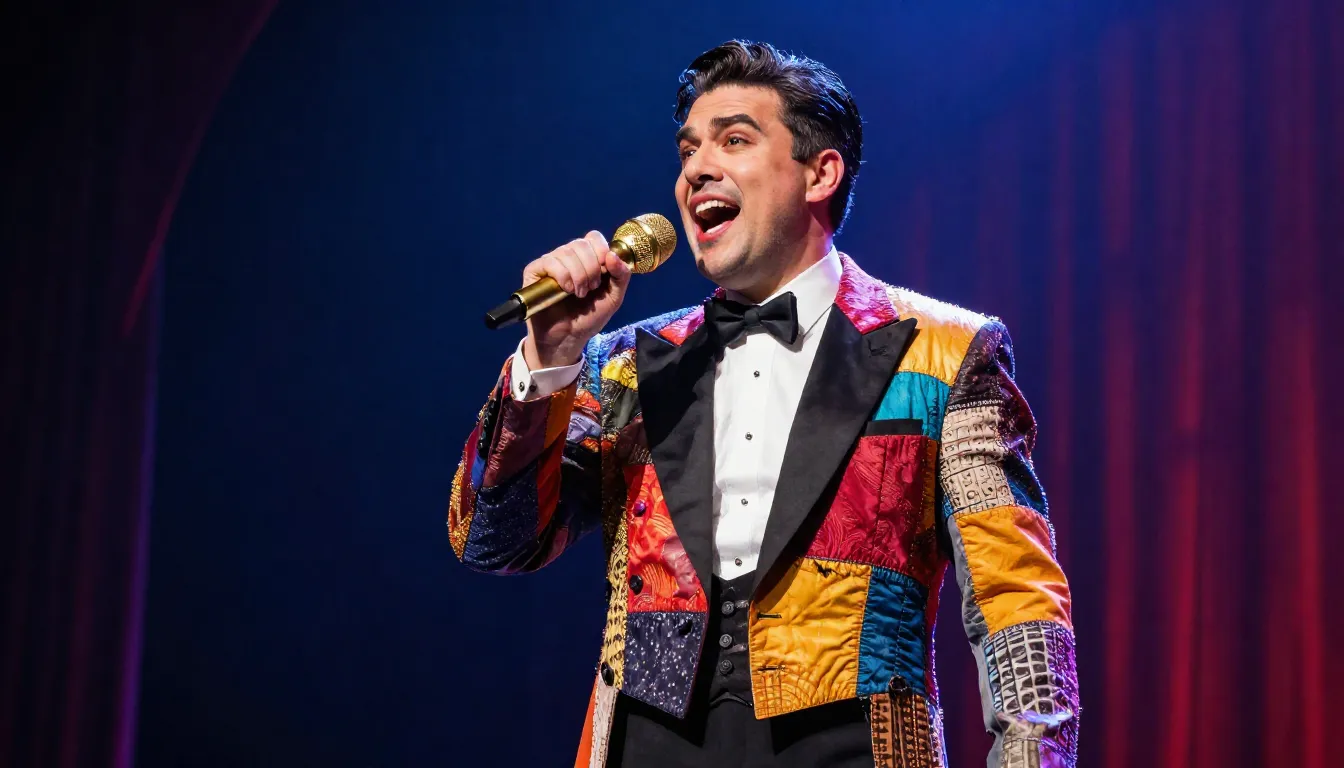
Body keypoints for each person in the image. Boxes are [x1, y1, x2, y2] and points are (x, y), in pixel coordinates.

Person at [448, 40, 1079, 768]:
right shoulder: (624, 365)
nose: (696, 168)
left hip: (852, 748)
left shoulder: (941, 352)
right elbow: (495, 542)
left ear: (820, 173)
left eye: (734, 140)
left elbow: (1016, 600)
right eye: (688, 150)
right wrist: (550, 360)